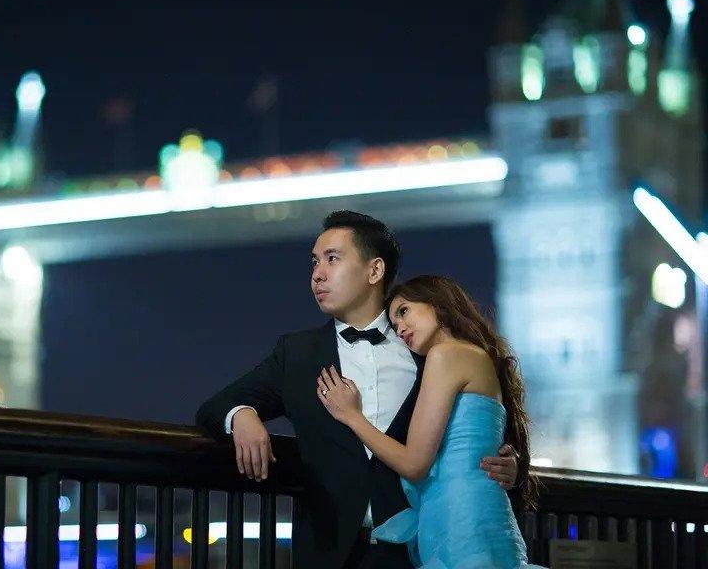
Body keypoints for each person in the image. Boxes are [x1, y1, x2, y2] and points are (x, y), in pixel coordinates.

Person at [196, 211, 521, 569]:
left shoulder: (425, 348)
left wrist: (511, 464)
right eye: (315, 262)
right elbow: (216, 405)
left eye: (332, 259)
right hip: (328, 553)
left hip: (417, 549)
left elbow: (480, 427)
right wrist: (242, 416)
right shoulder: (297, 355)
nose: (316, 274)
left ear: (374, 270)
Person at [317, 275, 541, 568]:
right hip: (473, 512)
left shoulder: (446, 354)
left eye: (404, 311)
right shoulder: (474, 355)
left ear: (437, 302)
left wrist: (352, 416)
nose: (400, 329)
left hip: (462, 517)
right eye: (395, 325)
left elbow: (414, 463)